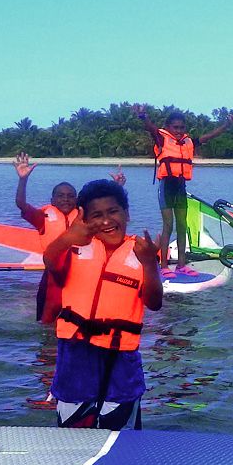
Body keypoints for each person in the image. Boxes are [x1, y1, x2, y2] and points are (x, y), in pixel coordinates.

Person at [43, 179, 162, 430]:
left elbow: (154, 302)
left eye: (113, 212)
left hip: (121, 354)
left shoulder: (141, 252)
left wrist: (150, 264)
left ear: (127, 213)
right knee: (73, 421)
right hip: (76, 351)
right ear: (84, 218)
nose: (106, 221)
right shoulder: (75, 245)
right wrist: (66, 239)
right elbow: (50, 262)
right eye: (97, 215)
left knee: (120, 425)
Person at [14, 152, 126, 322]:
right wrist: (23, 180)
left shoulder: (85, 216)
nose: (66, 199)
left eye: (70, 196)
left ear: (77, 200)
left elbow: (109, 216)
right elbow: (21, 204)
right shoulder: (42, 217)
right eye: (60, 196)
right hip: (53, 275)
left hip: (81, 272)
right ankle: (48, 346)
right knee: (47, 320)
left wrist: (118, 189)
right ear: (52, 200)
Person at [137, 106, 233, 271]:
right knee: (168, 225)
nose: (179, 131)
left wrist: (227, 124)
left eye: (182, 127)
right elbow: (150, 128)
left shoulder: (189, 142)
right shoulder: (161, 139)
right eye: (175, 127)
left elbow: (210, 136)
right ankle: (164, 266)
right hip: (166, 187)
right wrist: (143, 116)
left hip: (180, 187)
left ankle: (182, 265)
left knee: (182, 225)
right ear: (167, 127)